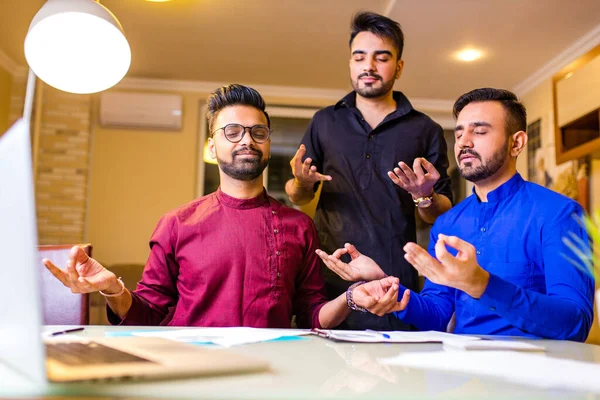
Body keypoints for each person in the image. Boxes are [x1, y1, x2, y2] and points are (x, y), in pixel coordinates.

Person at [43, 84, 396, 329]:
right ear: (212, 148)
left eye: (259, 132)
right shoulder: (176, 223)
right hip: (191, 371)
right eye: (232, 132)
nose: (247, 139)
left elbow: (311, 316)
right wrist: (113, 289)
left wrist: (351, 298)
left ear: (268, 146)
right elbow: (147, 316)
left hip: (273, 373)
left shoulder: (298, 226)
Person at [318, 88, 594, 341]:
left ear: (517, 143)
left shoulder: (560, 214)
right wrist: (382, 283)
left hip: (537, 375)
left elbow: (575, 323)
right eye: (459, 133)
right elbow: (437, 314)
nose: (464, 142)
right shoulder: (449, 222)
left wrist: (483, 285)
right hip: (462, 373)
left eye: (480, 132)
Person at [284, 11, 453, 331]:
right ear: (350, 63)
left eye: (381, 57)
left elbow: (439, 212)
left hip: (394, 279)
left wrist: (424, 196)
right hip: (329, 276)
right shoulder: (325, 121)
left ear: (399, 67)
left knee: (395, 375)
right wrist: (301, 183)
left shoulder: (425, 129)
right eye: (359, 57)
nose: (369, 66)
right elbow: (297, 196)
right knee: (325, 374)